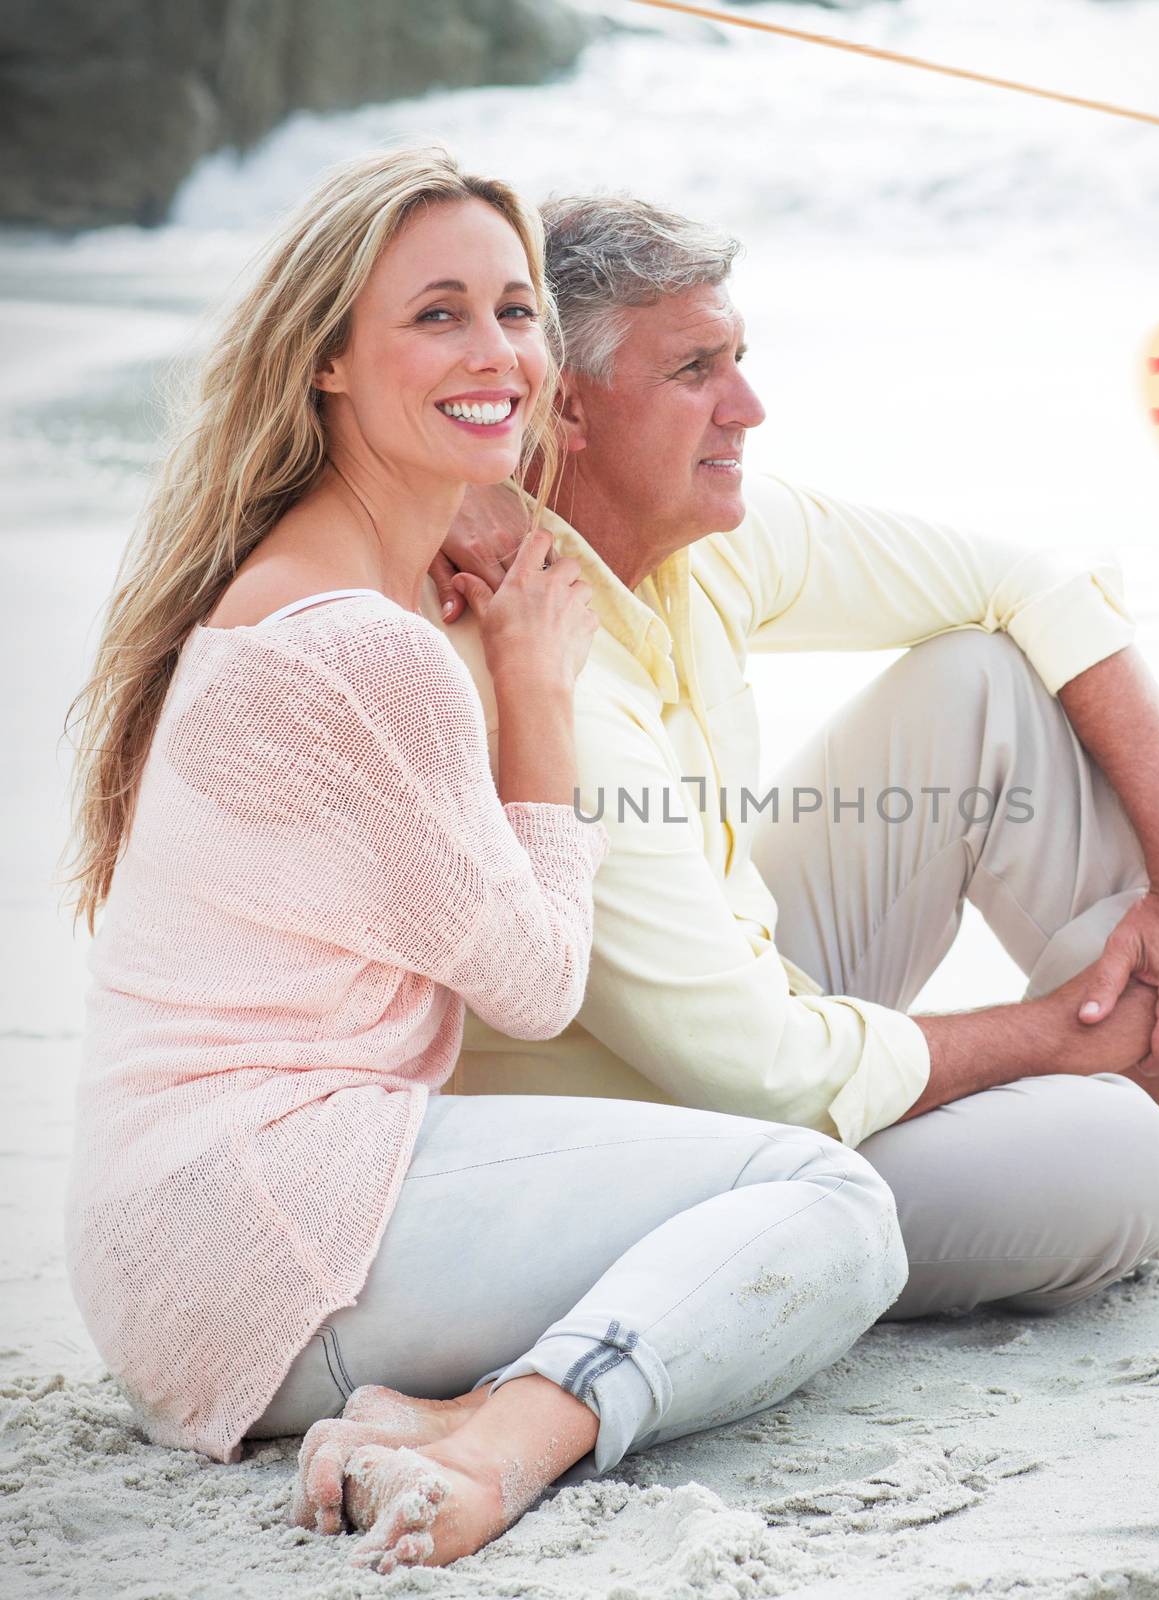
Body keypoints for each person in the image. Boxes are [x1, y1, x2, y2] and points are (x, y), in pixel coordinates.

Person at [427, 194, 1159, 1314]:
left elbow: (1032, 586)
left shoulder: (690, 542)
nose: (750, 407)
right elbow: (763, 1074)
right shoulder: (533, 653)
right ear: (564, 408)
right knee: (1126, 1164)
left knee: (984, 681)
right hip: (667, 1152)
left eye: (741, 356)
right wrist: (1065, 1036)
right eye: (696, 370)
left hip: (746, 1017)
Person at [60, 151, 907, 1576]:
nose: (499, 353)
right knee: (833, 1204)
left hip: (205, 1251)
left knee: (790, 1198)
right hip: (273, 1244)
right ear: (326, 358)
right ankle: (503, 1444)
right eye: (437, 315)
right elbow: (534, 982)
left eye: (516, 311)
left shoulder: (302, 587)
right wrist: (538, 684)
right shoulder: (363, 645)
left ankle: (435, 1408)